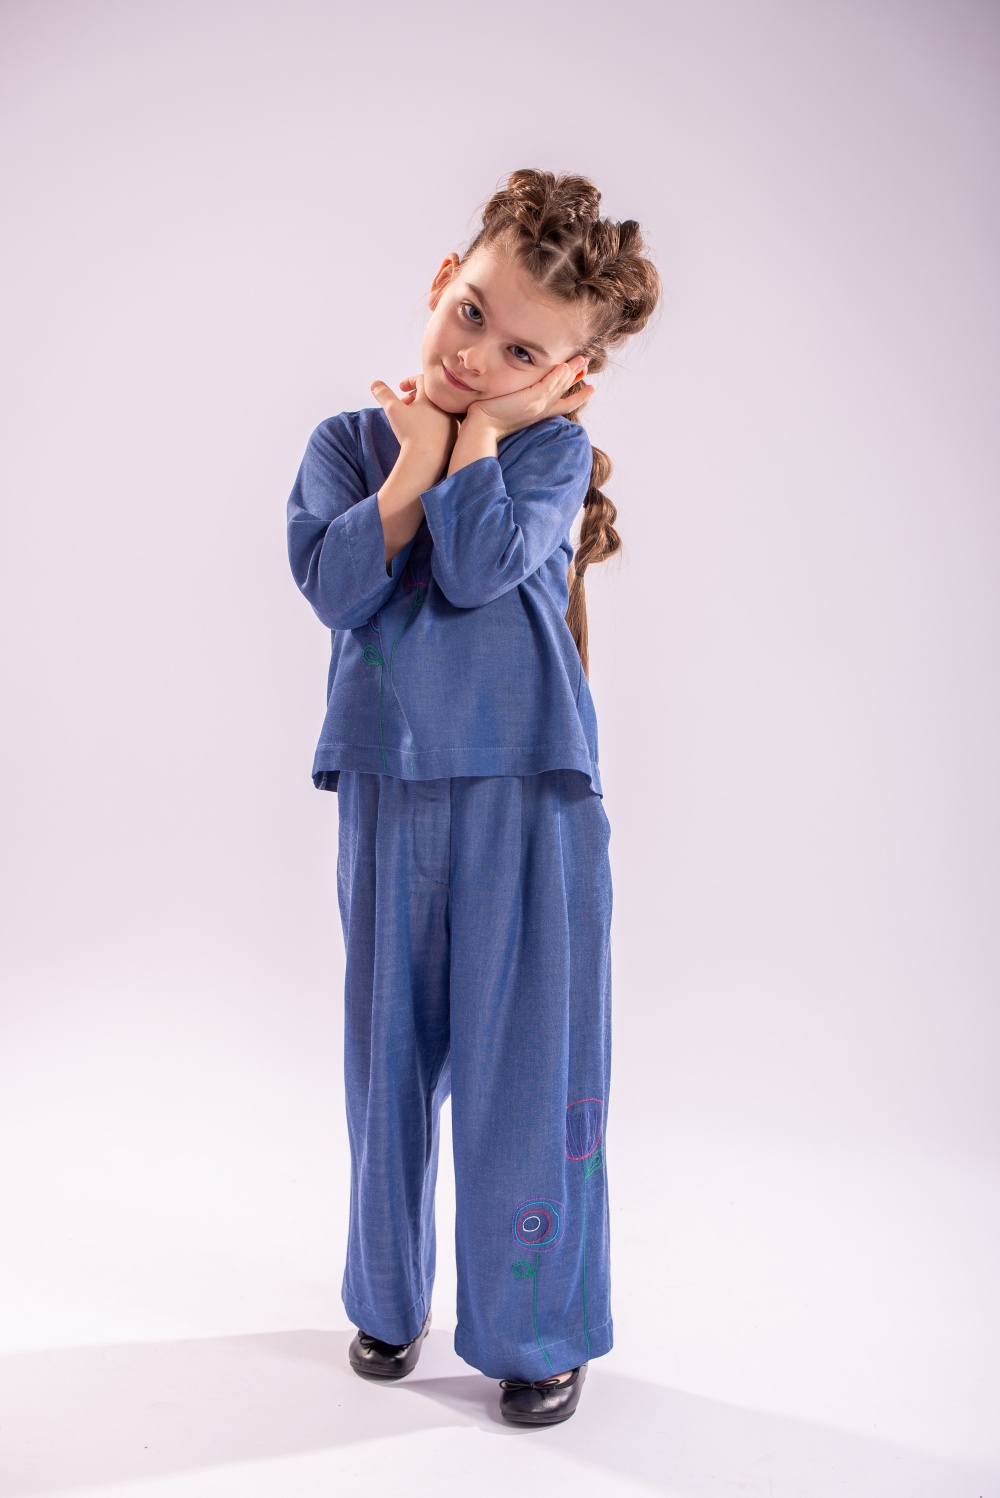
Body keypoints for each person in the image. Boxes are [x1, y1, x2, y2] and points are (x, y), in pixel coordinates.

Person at [286, 167, 661, 1425]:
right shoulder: (348, 445)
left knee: (529, 1068)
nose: (477, 357)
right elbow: (337, 587)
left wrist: (481, 440)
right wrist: (412, 461)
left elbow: (475, 564)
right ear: (442, 282)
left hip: (527, 799)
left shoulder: (550, 456)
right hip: (391, 791)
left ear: (567, 378)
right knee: (385, 1059)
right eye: (472, 315)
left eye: (521, 354)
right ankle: (386, 1302)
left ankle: (534, 1326)